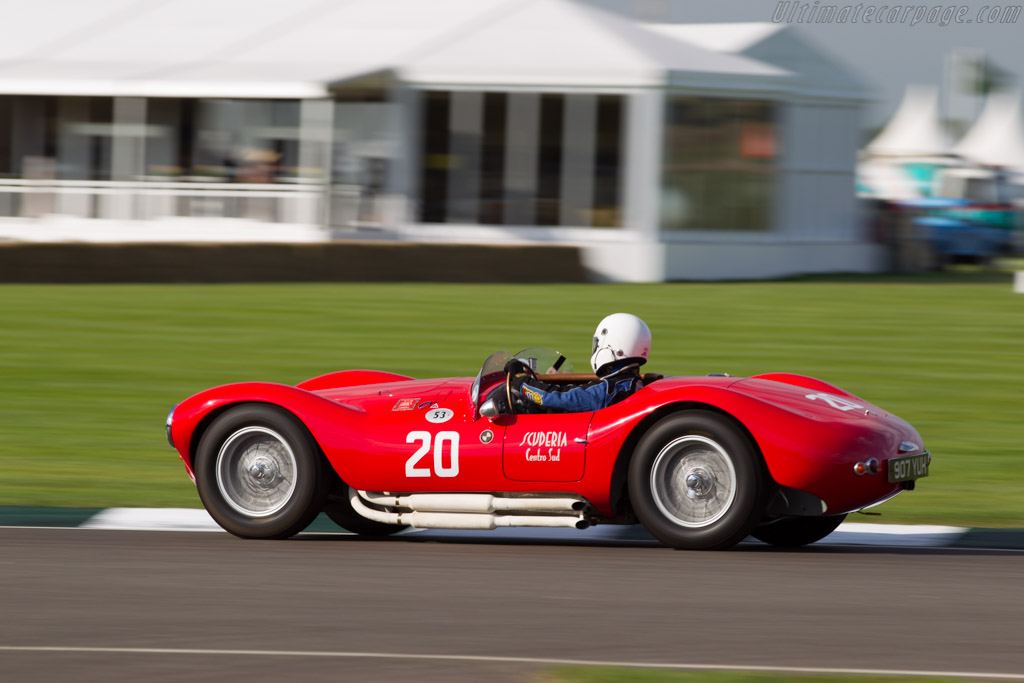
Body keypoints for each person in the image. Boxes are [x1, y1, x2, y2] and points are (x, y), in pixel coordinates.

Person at [506, 313, 652, 413]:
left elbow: (556, 397)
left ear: (613, 347)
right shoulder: (631, 384)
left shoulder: (607, 390)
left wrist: (522, 381)